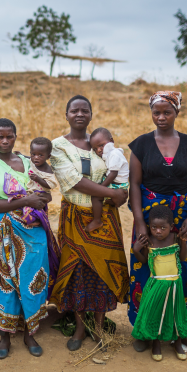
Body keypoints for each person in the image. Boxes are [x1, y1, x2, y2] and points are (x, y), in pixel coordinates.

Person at [0, 118, 56, 360]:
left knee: (34, 279)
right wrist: (27, 201)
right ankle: (5, 334)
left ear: (16, 137)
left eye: (9, 136)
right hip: (6, 231)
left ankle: (30, 332)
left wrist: (39, 201)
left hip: (35, 229)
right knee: (5, 279)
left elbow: (47, 192)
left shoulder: (30, 161)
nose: (5, 141)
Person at [49, 95, 130, 352]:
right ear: (67, 114)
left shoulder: (101, 143)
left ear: (91, 115)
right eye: (74, 110)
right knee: (77, 273)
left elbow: (118, 169)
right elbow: (72, 181)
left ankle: (97, 326)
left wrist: (121, 192)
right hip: (74, 217)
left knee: (102, 273)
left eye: (85, 110)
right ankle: (80, 328)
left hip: (104, 219)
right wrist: (113, 194)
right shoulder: (57, 146)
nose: (80, 114)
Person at [128, 91, 187, 354]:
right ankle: (144, 330)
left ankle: (180, 330)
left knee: (180, 271)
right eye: (156, 112)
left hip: (179, 217)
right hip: (149, 219)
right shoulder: (141, 145)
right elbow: (134, 184)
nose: (161, 117)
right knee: (144, 271)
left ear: (177, 112)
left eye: (167, 112)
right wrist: (139, 221)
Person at [131, 205, 187, 362]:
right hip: (157, 285)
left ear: (171, 227)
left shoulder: (175, 238)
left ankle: (177, 343)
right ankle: (155, 344)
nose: (158, 231)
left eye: (163, 228)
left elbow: (183, 258)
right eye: (154, 227)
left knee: (176, 314)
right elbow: (144, 261)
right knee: (156, 314)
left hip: (175, 284)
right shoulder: (149, 242)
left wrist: (184, 242)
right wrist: (136, 250)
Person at [85, 127, 129, 233]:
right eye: (95, 149)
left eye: (101, 145)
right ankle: (112, 202)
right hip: (118, 184)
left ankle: (97, 220)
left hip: (117, 185)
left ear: (111, 141)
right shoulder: (109, 154)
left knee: (96, 197)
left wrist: (101, 188)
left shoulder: (114, 154)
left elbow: (113, 174)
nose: (99, 150)